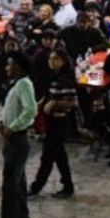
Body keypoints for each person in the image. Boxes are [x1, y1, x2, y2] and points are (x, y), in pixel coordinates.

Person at [0, 53, 37, 218]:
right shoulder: (17, 84)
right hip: (12, 140)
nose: (6, 67)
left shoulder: (24, 84)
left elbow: (30, 110)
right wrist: (3, 123)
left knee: (10, 186)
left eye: (10, 64)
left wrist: (14, 126)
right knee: (18, 183)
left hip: (18, 140)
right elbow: (11, 108)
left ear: (18, 66)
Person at [28, 49, 77, 199]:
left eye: (56, 59)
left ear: (63, 61)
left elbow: (71, 102)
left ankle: (36, 187)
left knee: (48, 157)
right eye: (51, 59)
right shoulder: (54, 77)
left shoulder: (66, 79)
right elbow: (50, 94)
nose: (52, 61)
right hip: (51, 122)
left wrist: (54, 102)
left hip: (59, 122)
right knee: (57, 157)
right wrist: (43, 102)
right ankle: (66, 186)